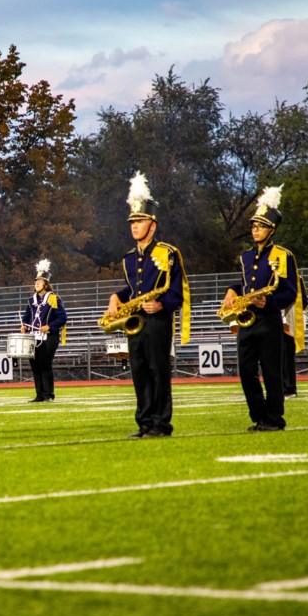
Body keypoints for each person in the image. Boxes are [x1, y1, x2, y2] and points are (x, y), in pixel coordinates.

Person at [104, 172, 190, 438]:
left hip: (158, 321)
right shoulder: (128, 258)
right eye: (132, 221)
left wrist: (162, 305)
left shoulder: (168, 252)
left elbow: (178, 291)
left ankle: (161, 424)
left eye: (140, 221)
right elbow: (132, 290)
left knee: (158, 371)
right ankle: (144, 423)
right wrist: (115, 297)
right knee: (139, 372)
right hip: (136, 322)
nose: (134, 226)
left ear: (152, 225)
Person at [220, 185, 305, 432]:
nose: (255, 230)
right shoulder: (246, 257)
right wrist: (232, 290)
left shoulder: (283, 255)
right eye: (254, 226)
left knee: (271, 373)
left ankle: (274, 419)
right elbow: (246, 283)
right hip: (247, 320)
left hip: (269, 321)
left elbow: (290, 291)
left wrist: (268, 302)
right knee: (246, 372)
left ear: (272, 229)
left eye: (261, 226)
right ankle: (259, 416)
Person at [21, 259, 66, 403]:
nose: (37, 283)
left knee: (45, 365)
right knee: (35, 366)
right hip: (34, 337)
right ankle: (39, 394)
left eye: (40, 281)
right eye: (36, 281)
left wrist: (50, 326)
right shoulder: (31, 300)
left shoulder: (53, 298)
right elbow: (26, 317)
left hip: (49, 337)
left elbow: (63, 318)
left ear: (46, 284)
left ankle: (49, 394)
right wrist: (24, 325)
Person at [281, 276, 308, 398]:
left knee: (287, 356)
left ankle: (290, 388)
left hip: (288, 321)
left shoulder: (296, 278)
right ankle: (281, 387)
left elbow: (303, 301)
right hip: (275, 320)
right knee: (277, 357)